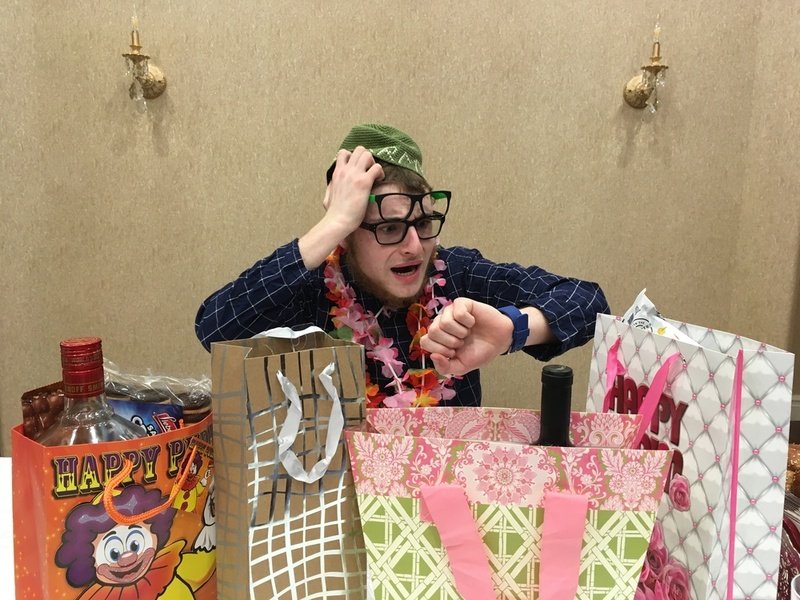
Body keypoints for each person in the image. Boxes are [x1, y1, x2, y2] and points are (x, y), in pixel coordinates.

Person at [195, 124, 609, 407]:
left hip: (446, 494)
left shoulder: (457, 273)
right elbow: (215, 329)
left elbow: (588, 302)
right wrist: (331, 225)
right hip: (344, 498)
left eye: (424, 223)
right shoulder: (311, 290)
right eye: (390, 228)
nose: (414, 247)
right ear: (348, 234)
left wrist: (511, 330)